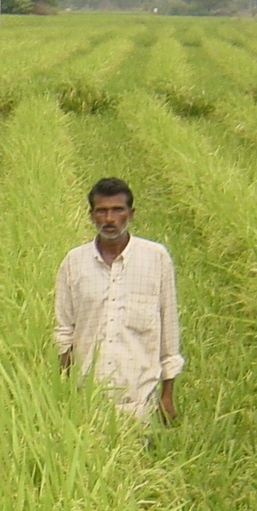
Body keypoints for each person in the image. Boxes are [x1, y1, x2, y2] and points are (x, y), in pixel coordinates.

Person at [54, 177, 183, 422]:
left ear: (131, 214)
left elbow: (169, 330)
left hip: (140, 400)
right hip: (87, 400)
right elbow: (64, 332)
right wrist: (64, 394)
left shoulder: (156, 258)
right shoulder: (74, 262)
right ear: (91, 216)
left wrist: (167, 395)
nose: (109, 219)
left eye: (117, 210)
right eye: (101, 211)